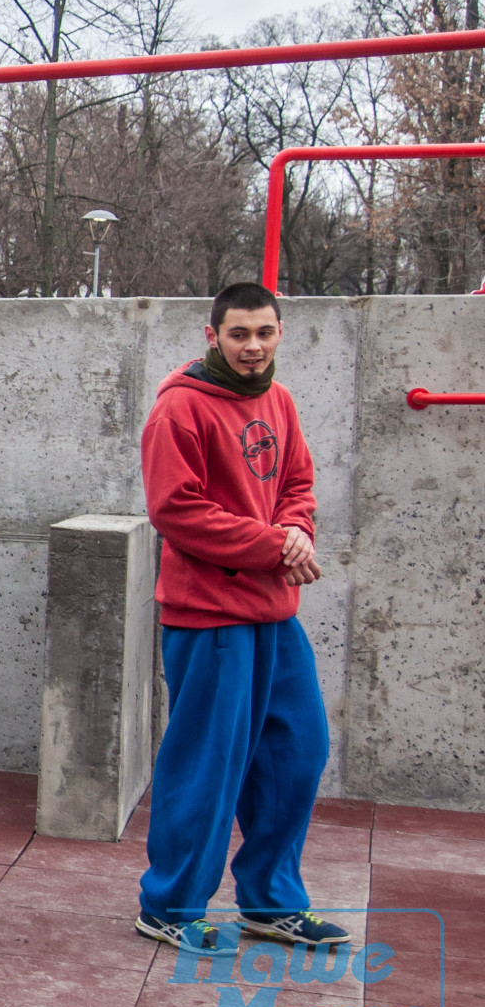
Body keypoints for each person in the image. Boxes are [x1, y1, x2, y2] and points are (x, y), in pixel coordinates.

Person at [135, 281, 347, 955]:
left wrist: (295, 529)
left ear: (280, 333)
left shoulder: (278, 400)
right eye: (239, 334)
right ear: (213, 336)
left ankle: (269, 901)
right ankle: (169, 906)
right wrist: (274, 546)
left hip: (272, 612)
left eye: (264, 333)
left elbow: (297, 484)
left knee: (299, 749)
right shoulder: (180, 409)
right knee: (208, 764)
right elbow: (176, 509)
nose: (252, 346)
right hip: (210, 618)